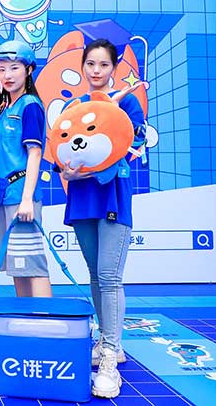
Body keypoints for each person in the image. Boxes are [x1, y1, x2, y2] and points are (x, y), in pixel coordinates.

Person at [59, 38, 145, 399]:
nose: (96, 71)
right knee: (95, 274)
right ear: (83, 66)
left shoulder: (126, 102)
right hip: (82, 198)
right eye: (91, 64)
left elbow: (134, 141)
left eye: (104, 64)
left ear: (114, 68)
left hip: (112, 195)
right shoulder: (74, 106)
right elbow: (61, 148)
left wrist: (112, 108)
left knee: (110, 277)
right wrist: (65, 171)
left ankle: (110, 354)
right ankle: (107, 341)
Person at [0, 40, 52, 298]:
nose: (7, 75)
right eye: (2, 69)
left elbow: (35, 153)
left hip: (20, 199)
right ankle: (26, 316)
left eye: (14, 68)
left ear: (28, 70)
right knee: (16, 266)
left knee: (33, 266)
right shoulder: (6, 109)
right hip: (0, 198)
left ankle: (44, 318)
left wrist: (27, 199)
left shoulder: (29, 105)